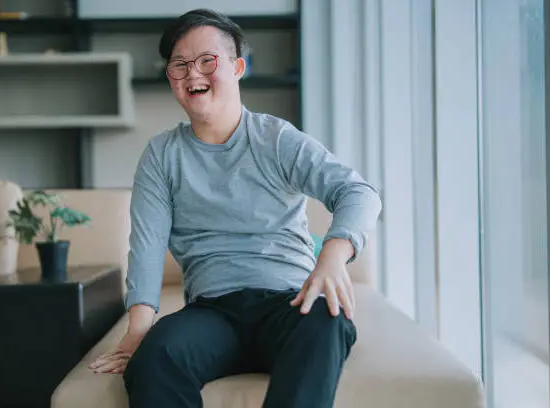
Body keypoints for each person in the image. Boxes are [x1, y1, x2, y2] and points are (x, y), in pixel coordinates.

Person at [89, 8, 382, 408]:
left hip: (290, 303)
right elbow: (147, 246)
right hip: (213, 314)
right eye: (180, 65)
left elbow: (358, 192)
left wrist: (331, 257)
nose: (193, 73)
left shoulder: (276, 138)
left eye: (207, 61)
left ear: (237, 67)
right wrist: (139, 327)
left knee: (327, 321)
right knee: (155, 356)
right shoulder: (161, 155)